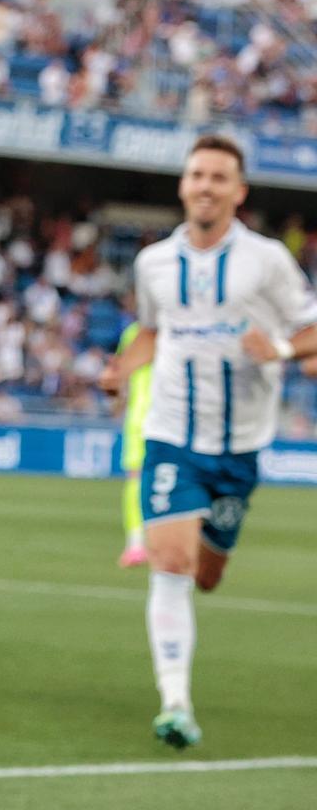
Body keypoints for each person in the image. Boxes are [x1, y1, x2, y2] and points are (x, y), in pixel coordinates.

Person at [100, 134, 317, 749]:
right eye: (197, 175)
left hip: (241, 445)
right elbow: (149, 332)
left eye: (219, 178)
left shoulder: (268, 260)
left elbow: (311, 328)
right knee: (170, 562)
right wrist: (122, 370)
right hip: (170, 436)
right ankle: (175, 704)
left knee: (209, 574)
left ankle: (180, 665)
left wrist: (276, 349)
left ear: (239, 192)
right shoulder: (155, 264)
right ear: (182, 185)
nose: (205, 186)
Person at [115, 314, 154, 568]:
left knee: (136, 480)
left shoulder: (133, 332)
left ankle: (136, 544)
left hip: (141, 416)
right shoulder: (184, 328)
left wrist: (117, 399)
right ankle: (141, 544)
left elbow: (118, 375)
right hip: (171, 416)